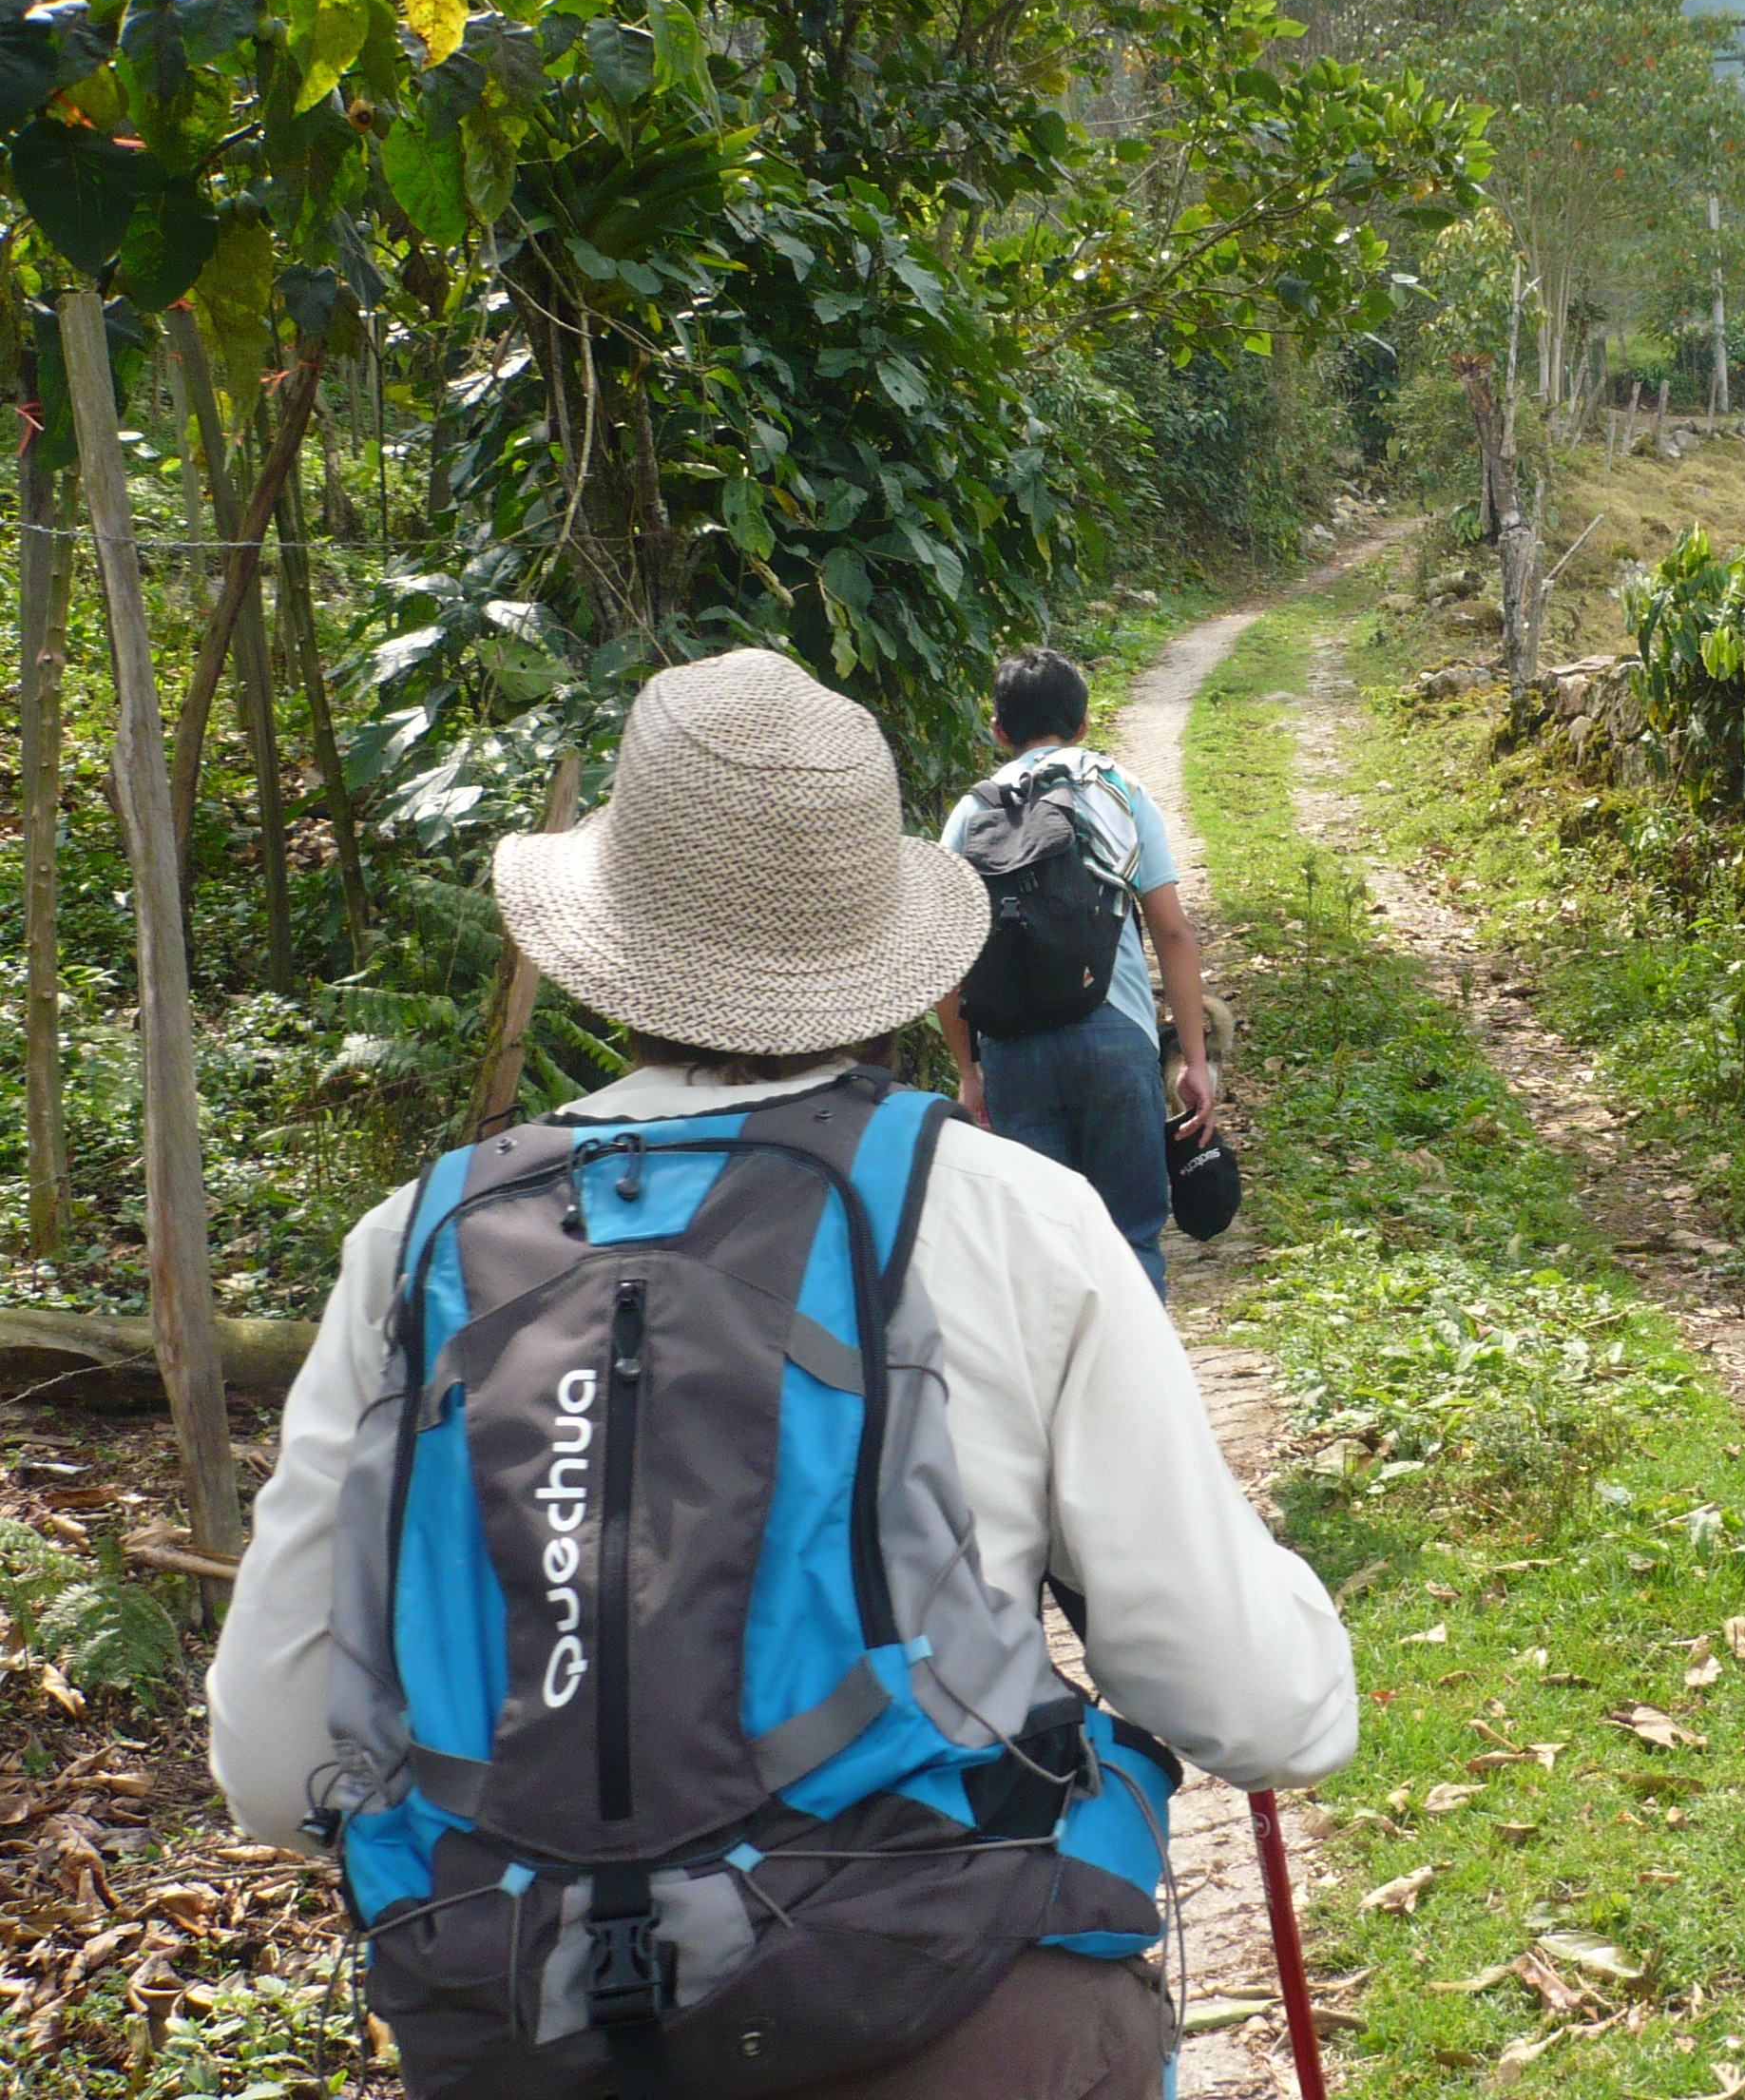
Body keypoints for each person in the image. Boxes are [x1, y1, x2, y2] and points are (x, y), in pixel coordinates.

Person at [207, 649, 1352, 2099]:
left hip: (517, 2026)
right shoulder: (1004, 1217)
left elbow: (269, 1764)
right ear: (886, 954)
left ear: (603, 943)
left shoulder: (415, 1243)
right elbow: (1263, 1710)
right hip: (941, 2011)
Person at [937, 649, 1216, 1298]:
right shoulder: (1119, 788)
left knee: (1038, 1257)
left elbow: (949, 963)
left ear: (998, 730)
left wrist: (969, 1074)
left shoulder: (971, 811)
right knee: (1130, 1238)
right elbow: (1173, 931)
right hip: (1115, 1039)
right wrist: (1193, 1060)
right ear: (1084, 722)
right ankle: (1136, 1394)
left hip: (1013, 1053)